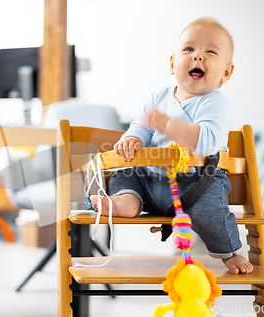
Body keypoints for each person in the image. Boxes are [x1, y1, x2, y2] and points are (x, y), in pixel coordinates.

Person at [90, 16, 253, 274]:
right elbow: (141, 126)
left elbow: (206, 142)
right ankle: (127, 201)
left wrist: (167, 124)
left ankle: (230, 251)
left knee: (210, 212)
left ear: (226, 72)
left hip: (198, 182)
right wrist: (133, 138)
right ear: (172, 63)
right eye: (189, 49)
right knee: (126, 174)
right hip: (151, 179)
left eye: (210, 52)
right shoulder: (159, 97)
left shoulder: (215, 103)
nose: (198, 56)